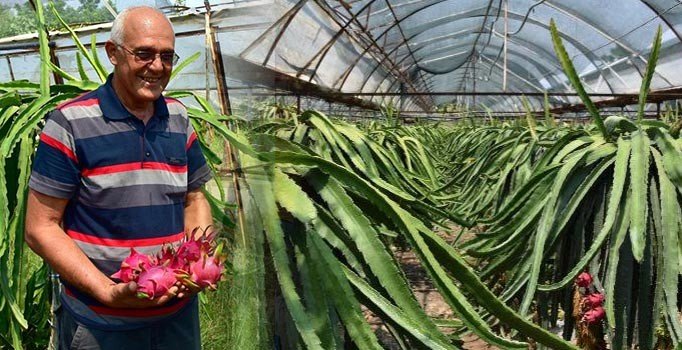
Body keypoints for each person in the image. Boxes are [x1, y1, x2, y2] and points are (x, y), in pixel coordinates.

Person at [24, 6, 212, 349]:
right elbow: (41, 228)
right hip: (100, 326)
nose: (157, 67)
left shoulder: (179, 119)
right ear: (113, 53)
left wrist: (197, 259)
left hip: (178, 321)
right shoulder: (70, 123)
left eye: (167, 56)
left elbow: (194, 198)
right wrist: (108, 293)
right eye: (144, 54)